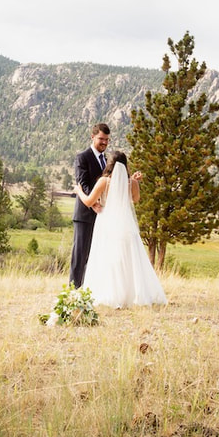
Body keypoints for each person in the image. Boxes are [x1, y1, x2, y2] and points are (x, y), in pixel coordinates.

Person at [78, 151, 167, 308]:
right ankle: (130, 293)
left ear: (109, 164)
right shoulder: (131, 183)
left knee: (107, 258)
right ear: (125, 166)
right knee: (128, 258)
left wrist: (78, 190)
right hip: (126, 224)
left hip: (106, 223)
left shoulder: (104, 182)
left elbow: (88, 201)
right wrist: (133, 182)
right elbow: (136, 199)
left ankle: (111, 293)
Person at [69, 123, 110, 287]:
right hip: (85, 215)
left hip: (101, 215)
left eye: (107, 140)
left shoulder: (106, 160)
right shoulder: (82, 157)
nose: (104, 143)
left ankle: (88, 289)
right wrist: (93, 204)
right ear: (92, 137)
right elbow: (83, 184)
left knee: (95, 255)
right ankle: (74, 292)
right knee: (80, 255)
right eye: (101, 139)